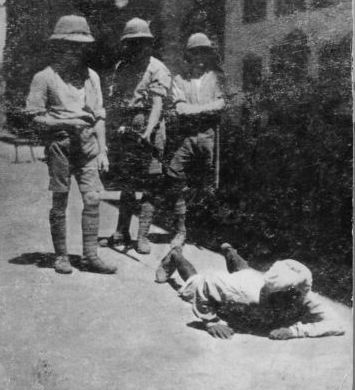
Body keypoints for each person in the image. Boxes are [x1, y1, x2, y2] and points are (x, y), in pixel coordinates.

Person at [25, 15, 117, 275]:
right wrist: (65, 123)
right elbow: (35, 118)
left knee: (93, 198)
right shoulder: (44, 78)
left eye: (81, 46)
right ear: (58, 46)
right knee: (60, 201)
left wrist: (103, 149)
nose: (76, 52)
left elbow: (99, 116)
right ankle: (62, 256)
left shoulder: (92, 77)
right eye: (70, 46)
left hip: (87, 147)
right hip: (60, 146)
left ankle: (90, 256)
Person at [155, 244, 345, 340]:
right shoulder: (244, 291)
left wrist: (296, 330)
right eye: (282, 296)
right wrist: (210, 321)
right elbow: (206, 283)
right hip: (242, 286)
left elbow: (337, 324)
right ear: (272, 291)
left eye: (295, 296)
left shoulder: (303, 295)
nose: (292, 300)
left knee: (247, 272)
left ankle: (230, 251)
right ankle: (175, 256)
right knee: (193, 283)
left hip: (251, 279)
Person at [105, 18, 171, 254]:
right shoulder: (121, 68)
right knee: (127, 184)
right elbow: (116, 101)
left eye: (142, 43)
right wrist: (116, 128)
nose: (137, 47)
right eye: (132, 43)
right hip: (127, 128)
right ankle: (122, 231)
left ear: (149, 44)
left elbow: (156, 106)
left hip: (149, 129)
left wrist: (147, 132)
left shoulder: (157, 68)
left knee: (150, 186)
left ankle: (142, 236)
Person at [166, 33, 225, 247]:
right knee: (176, 175)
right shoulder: (179, 79)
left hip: (209, 137)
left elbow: (221, 104)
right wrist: (205, 110)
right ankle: (181, 230)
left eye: (204, 52)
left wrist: (195, 111)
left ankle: (204, 231)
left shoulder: (216, 77)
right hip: (187, 137)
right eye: (195, 52)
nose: (200, 56)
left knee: (208, 184)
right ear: (188, 55)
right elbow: (180, 108)